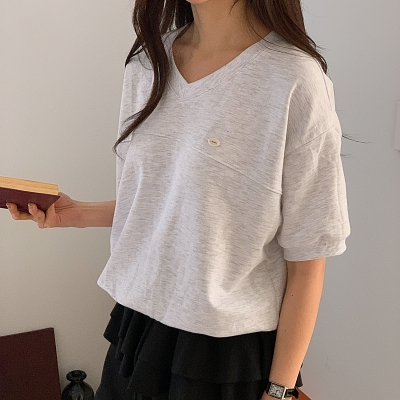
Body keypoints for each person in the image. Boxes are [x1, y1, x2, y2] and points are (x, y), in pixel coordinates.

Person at [7, 0, 351, 399]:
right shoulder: (146, 64)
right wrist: (77, 213)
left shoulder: (293, 78)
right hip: (136, 328)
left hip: (225, 353)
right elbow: (169, 204)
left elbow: (308, 258)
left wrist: (279, 392)